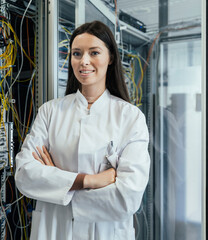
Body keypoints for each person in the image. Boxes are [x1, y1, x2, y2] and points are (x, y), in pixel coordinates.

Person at [15, 20, 150, 240]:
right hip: (54, 231)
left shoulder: (130, 117)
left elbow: (128, 197)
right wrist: (89, 181)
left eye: (94, 52)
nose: (84, 61)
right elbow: (24, 175)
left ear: (111, 58)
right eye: (76, 54)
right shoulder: (50, 111)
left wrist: (60, 183)